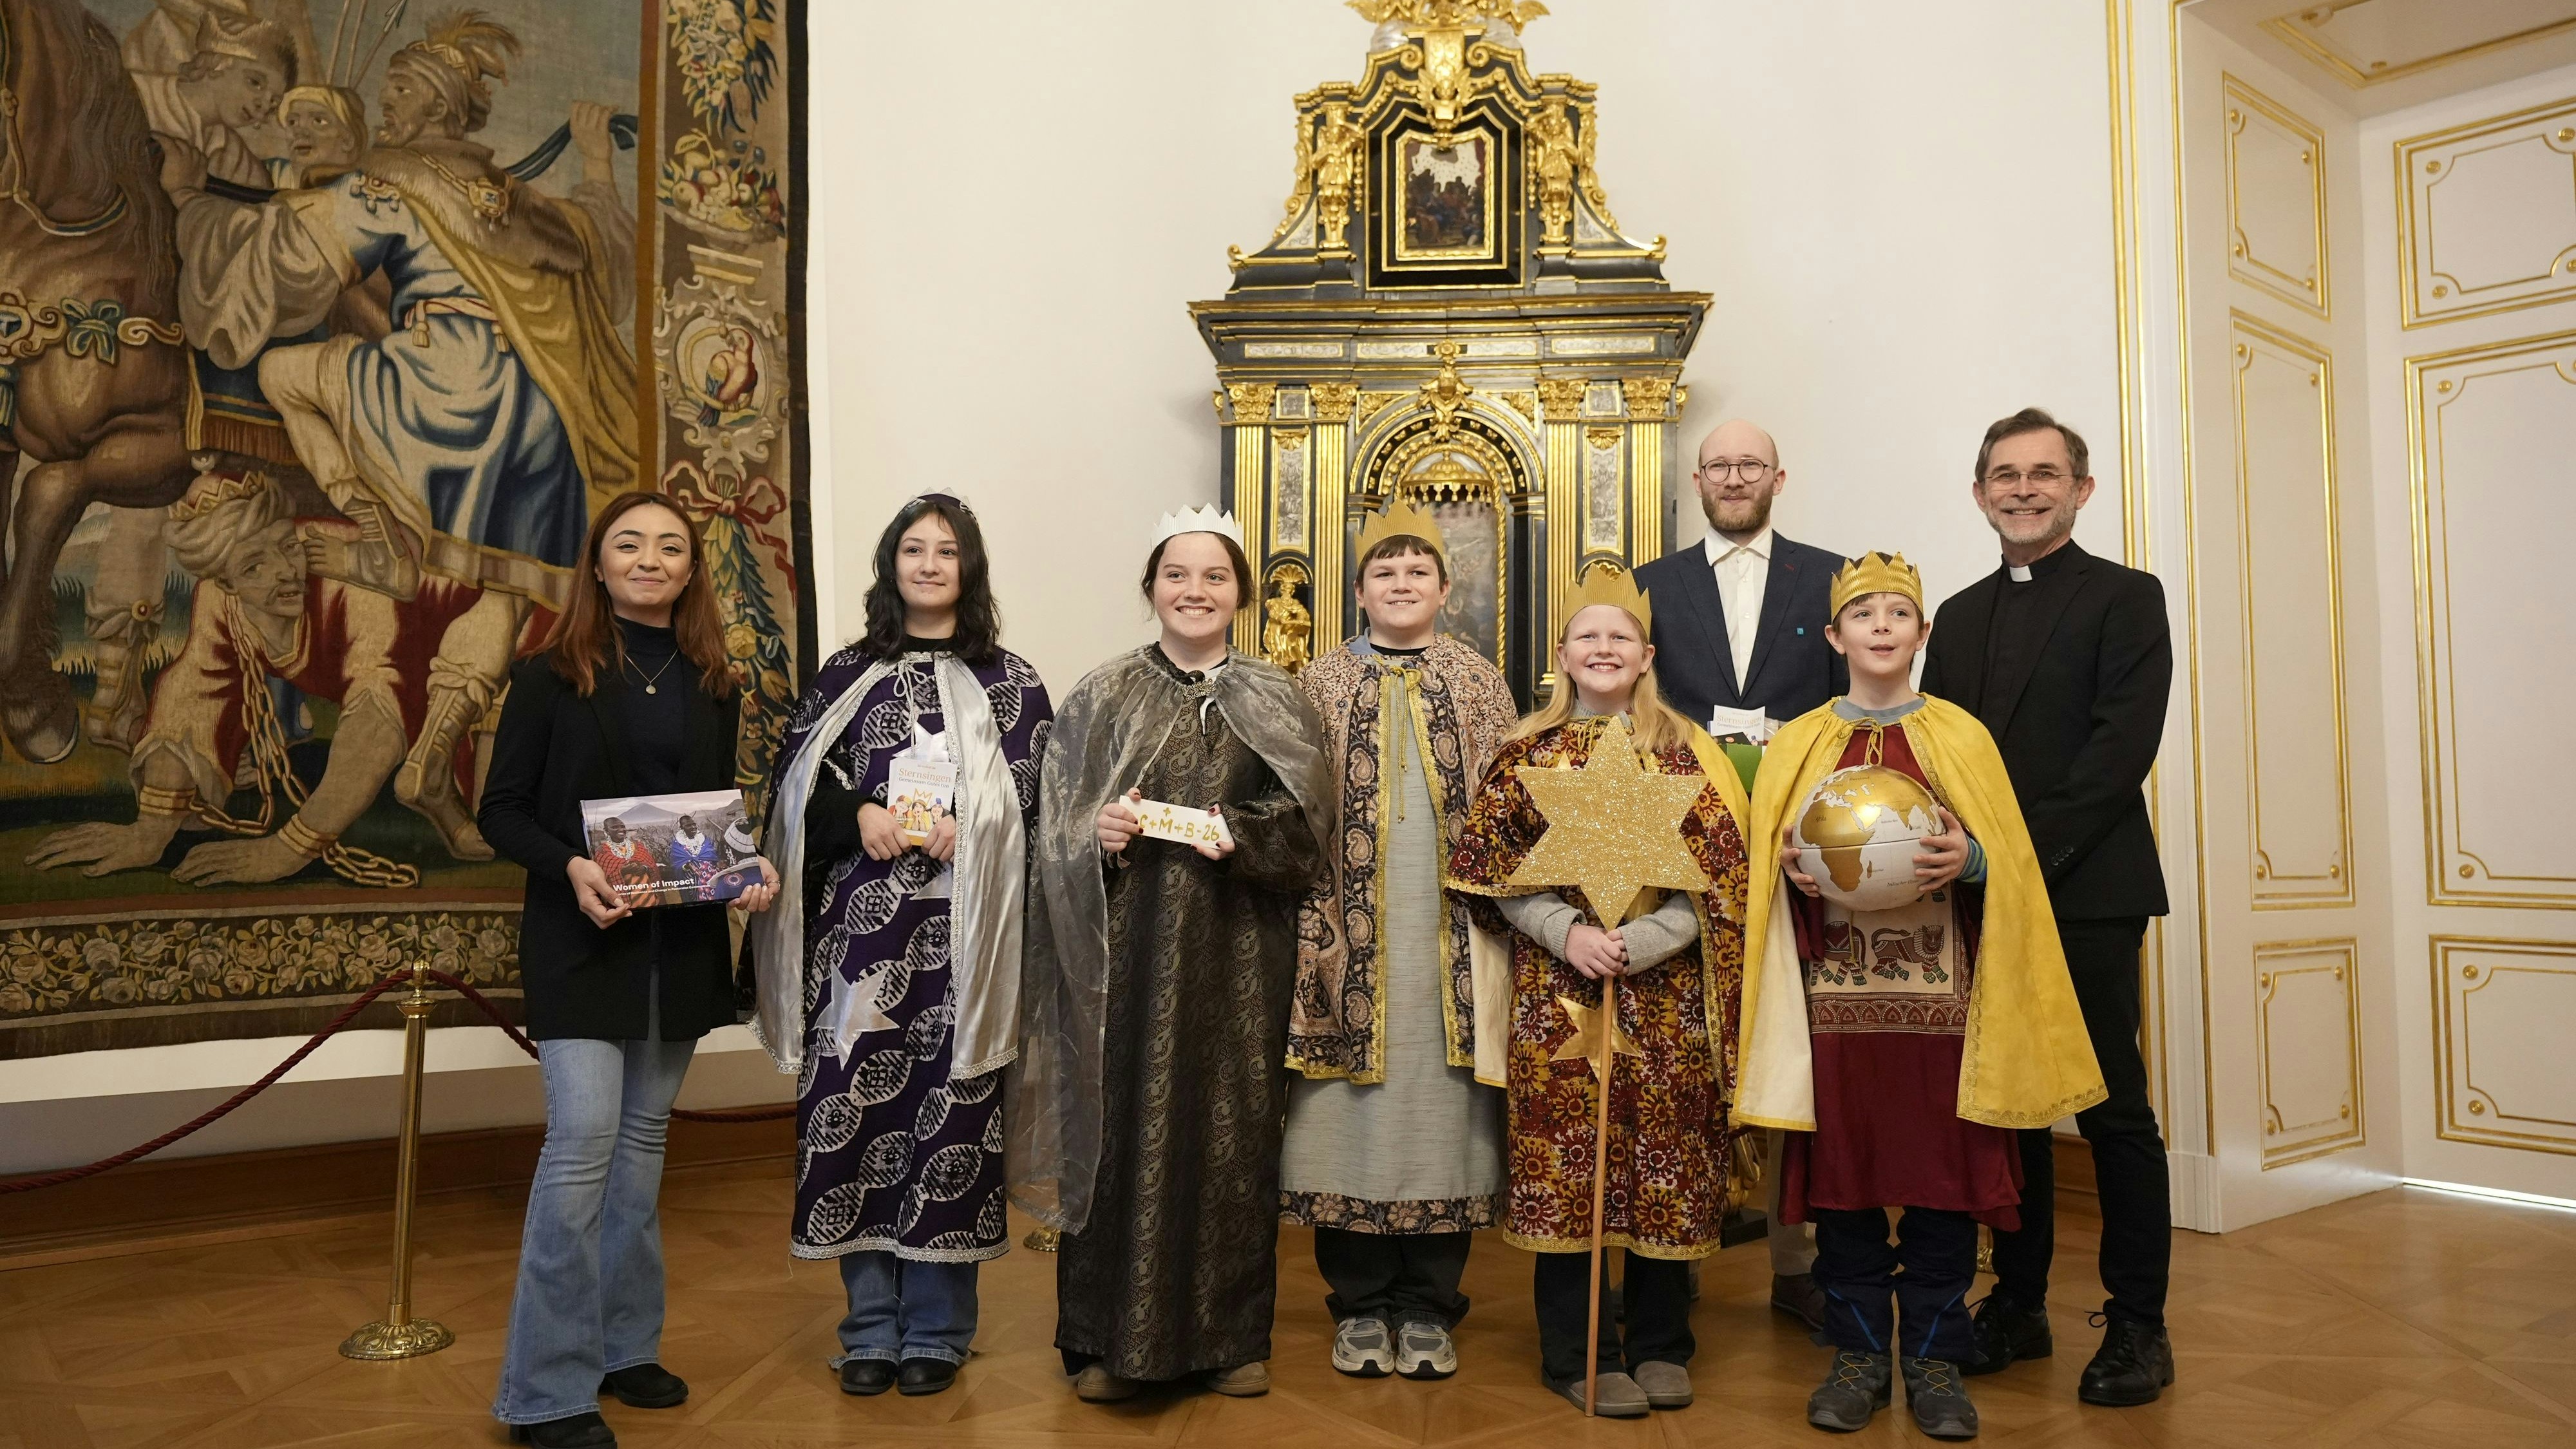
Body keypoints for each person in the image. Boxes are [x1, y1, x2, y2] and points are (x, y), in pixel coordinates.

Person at [154, 11, 639, 867]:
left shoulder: (389, 184)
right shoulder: (520, 202)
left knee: (280, 376)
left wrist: (193, 207)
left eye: (402, 95)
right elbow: (602, 251)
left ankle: (358, 500)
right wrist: (599, 161)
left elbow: (287, 266)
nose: (388, 110)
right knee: (506, 589)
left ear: (435, 111)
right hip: (533, 415)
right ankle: (431, 757)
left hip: (439, 387)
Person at [1734, 551, 2105, 1440]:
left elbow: (2006, 862)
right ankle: (1859, 1351)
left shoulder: (1961, 738)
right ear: (1835, 636)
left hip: (1943, 1003)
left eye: (1900, 613)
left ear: (1922, 632)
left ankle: (1936, 1353)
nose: (1882, 626)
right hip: (1836, 1005)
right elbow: (1759, 875)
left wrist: (1969, 858)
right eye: (1864, 614)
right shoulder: (1797, 743)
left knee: (1942, 1179)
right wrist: (1787, 868)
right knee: (1847, 1180)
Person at [1007, 507, 1331, 1403]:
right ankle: (1101, 1343)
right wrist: (1100, 836)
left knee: (1232, 1137)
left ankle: (1230, 1343)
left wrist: (1243, 833)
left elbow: (1311, 837)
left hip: (1238, 958)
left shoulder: (1279, 698)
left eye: (1215, 577)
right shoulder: (1103, 694)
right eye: (1178, 575)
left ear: (1242, 595)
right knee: (1116, 1135)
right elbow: (1053, 835)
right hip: (1124, 961)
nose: (1196, 590)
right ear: (1151, 588)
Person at [478, 492, 779, 1449]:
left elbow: (705, 822)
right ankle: (544, 1393)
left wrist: (747, 866)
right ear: (598, 566)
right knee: (582, 1149)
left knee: (641, 1153)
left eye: (670, 548)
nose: (650, 559)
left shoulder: (714, 680)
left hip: (679, 952)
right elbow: (503, 809)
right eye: (629, 545)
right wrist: (571, 865)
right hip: (581, 945)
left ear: (691, 571)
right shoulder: (546, 675)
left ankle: (623, 1346)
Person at [750, 495, 1052, 1399]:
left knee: (952, 1121)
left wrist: (982, 827)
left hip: (966, 947)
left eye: (947, 550)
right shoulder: (846, 671)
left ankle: (938, 1330)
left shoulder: (1014, 682)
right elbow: (792, 792)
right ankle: (868, 1329)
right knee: (861, 1122)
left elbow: (1042, 807)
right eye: (913, 549)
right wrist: (863, 814)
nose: (929, 564)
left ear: (971, 567)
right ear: (892, 565)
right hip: (858, 943)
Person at [1445, 568, 1754, 1419]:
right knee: (1569, 1164)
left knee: (1665, 1158)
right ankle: (1577, 1349)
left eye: (1620, 637)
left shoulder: (1689, 754)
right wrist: (1568, 932)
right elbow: (1491, 871)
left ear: (1646, 654)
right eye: (1589, 636)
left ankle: (1660, 1342)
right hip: (1563, 992)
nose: (1605, 649)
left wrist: (1647, 940)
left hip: (1668, 999)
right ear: (1563, 655)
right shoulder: (1525, 753)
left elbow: (1725, 878)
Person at [1917, 408, 2176, 1405]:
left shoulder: (2128, 597)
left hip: (2088, 892)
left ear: (2082, 489)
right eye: (2005, 476)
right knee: (2009, 1102)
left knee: (2115, 1112)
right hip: (1979, 888)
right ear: (1980, 492)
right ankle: (2018, 1305)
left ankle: (2140, 1325)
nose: (2024, 489)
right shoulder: (1965, 612)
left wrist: (2009, 858)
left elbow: (2119, 755)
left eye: (2045, 474)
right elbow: (1939, 752)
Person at [1279, 502, 1519, 1381]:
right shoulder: (1318, 682)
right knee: (1348, 1118)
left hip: (1451, 943)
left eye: (1418, 572)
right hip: (1346, 942)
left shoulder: (1482, 681)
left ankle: (1427, 1305)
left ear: (1447, 590)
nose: (1402, 584)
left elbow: (1509, 808)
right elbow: (1293, 806)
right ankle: (1359, 1304)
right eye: (1385, 572)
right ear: (1359, 590)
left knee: (1445, 1114)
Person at [23, 467, 515, 885]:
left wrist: (289, 848)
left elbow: (377, 719)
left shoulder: (347, 574)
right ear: (227, 581)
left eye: (288, 547)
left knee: (504, 819)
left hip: (490, 650)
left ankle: (439, 777)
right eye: (256, 566)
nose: (284, 571)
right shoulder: (224, 602)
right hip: (424, 685)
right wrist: (152, 829)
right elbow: (191, 695)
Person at [1631, 417, 1847, 1329]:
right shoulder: (1653, 585)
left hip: (1804, 849)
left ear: (1779, 476)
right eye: (1718, 464)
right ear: (1697, 479)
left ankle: (1798, 1259)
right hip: (1685, 848)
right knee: (1685, 1047)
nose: (1733, 476)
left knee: (1798, 1043)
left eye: (1749, 464)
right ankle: (1673, 1247)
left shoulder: (1833, 577)